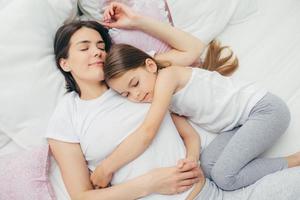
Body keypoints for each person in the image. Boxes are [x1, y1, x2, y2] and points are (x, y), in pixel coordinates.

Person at [46, 2, 300, 200]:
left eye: (101, 45)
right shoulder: (68, 114)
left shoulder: (137, 78)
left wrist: (137, 21)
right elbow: (82, 196)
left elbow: (192, 51)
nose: (98, 51)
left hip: (212, 193)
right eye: (84, 47)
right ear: (64, 63)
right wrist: (150, 183)